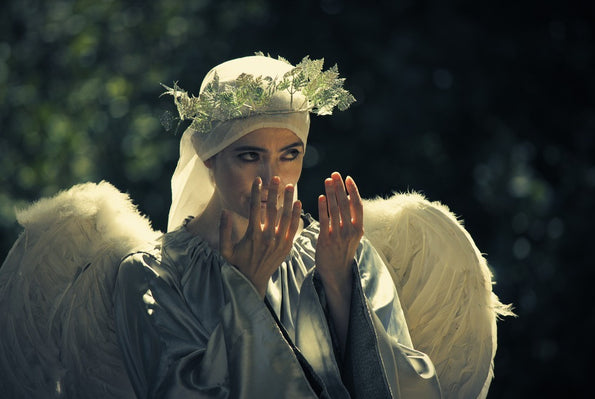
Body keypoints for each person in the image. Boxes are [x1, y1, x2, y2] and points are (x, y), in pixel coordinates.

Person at [113, 54, 443, 398]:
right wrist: (246, 291)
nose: (272, 177)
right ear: (207, 152)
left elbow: (409, 387)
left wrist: (340, 286)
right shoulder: (155, 274)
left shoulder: (339, 250)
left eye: (290, 154)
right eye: (250, 156)